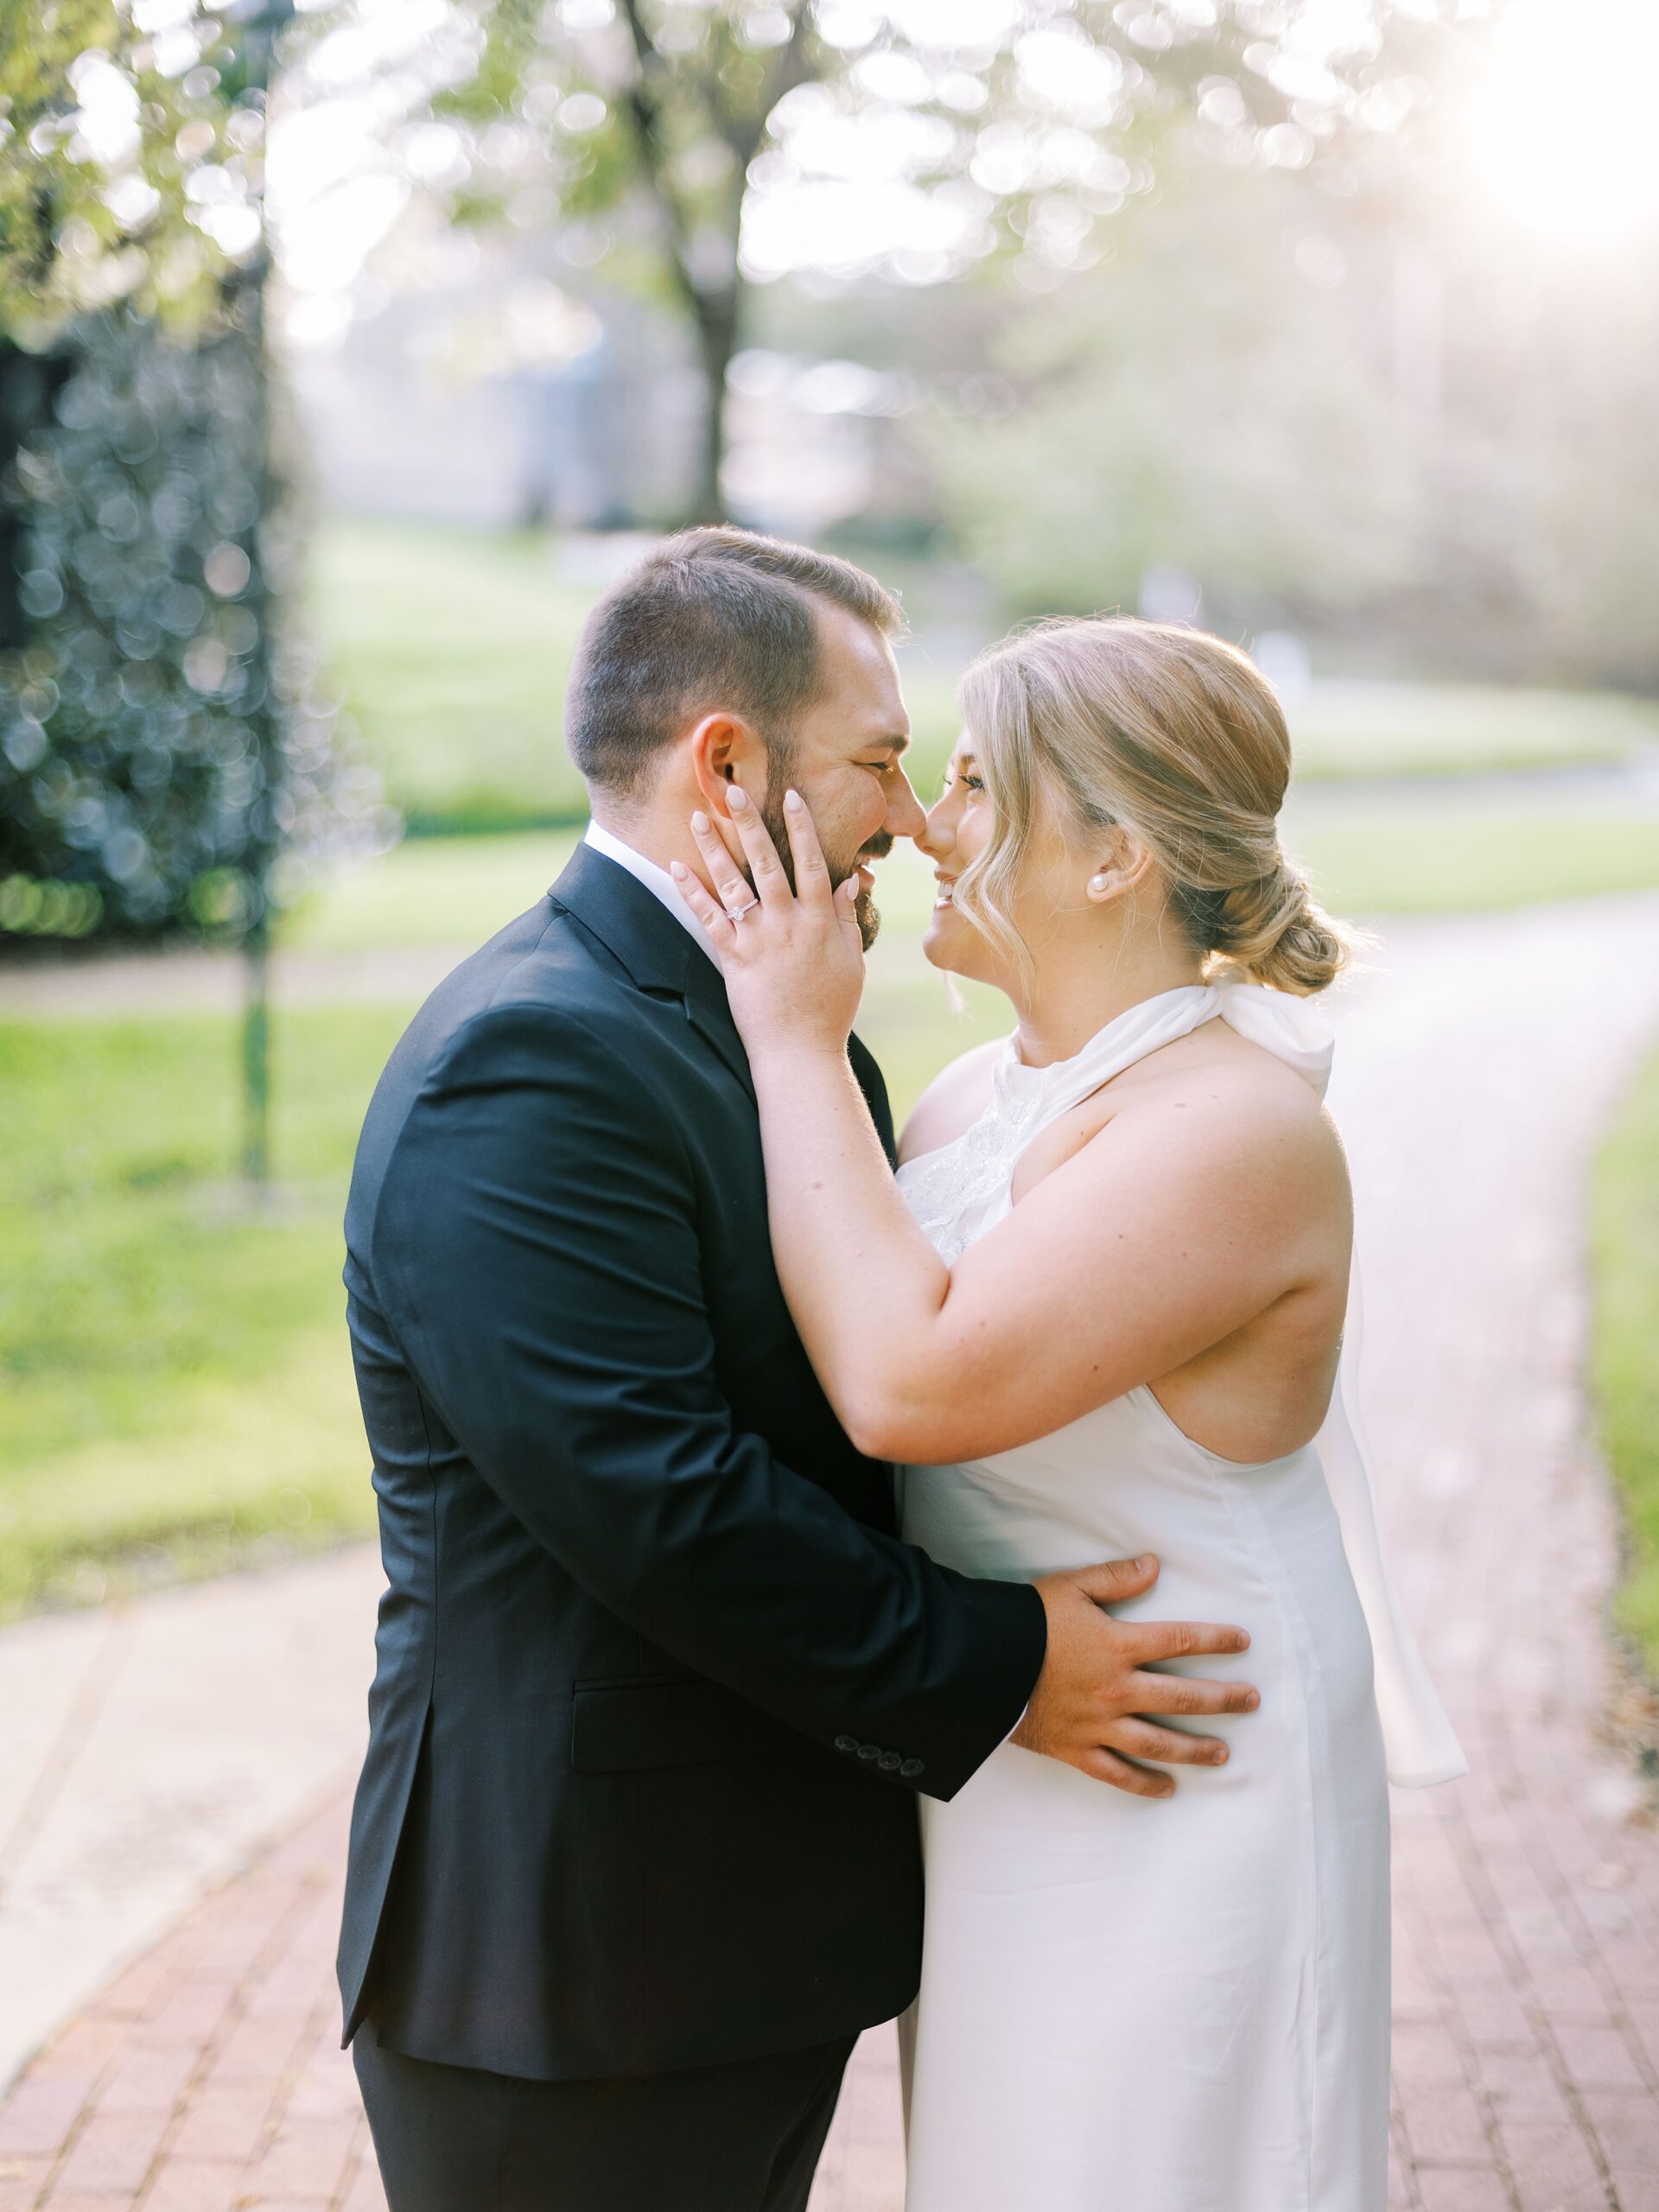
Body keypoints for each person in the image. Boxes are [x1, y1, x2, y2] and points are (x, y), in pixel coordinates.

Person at [336, 535, 1262, 2212]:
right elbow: (661, 1503)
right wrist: (999, 1664)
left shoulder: (796, 1025)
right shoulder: (528, 1058)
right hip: (569, 1960)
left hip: (735, 1935)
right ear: (728, 764)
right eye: (881, 759)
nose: (910, 816)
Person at [672, 613, 1465, 2212]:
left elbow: (905, 1386)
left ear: (1113, 852)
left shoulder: (1236, 1127)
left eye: (971, 781)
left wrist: (789, 1032)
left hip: (1187, 1753)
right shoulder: (975, 1103)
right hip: (1021, 1744)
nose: (923, 819)